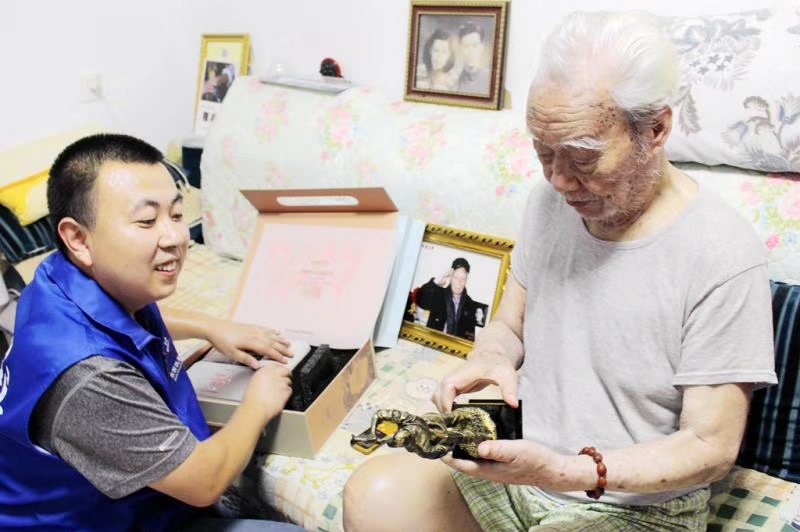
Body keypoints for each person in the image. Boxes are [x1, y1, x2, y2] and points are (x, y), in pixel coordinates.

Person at [343, 10, 776, 531]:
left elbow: (710, 447)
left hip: (637, 506)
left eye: (583, 158)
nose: (559, 179)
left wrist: (569, 471)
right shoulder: (549, 204)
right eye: (543, 151)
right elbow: (509, 326)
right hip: (523, 478)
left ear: (656, 130)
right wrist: (490, 359)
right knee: (376, 494)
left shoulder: (722, 253)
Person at [0, 133, 306, 531]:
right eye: (147, 221)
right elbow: (205, 483)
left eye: (176, 215)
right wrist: (258, 404)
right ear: (77, 238)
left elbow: (120, 320)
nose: (176, 238)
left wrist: (211, 326)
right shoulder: (90, 380)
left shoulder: (55, 280)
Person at [413, 257, 478, 341]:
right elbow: (421, 300)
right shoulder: (439, 294)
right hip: (432, 342)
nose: (459, 282)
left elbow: (470, 336)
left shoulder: (470, 304)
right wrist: (436, 282)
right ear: (451, 277)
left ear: (467, 279)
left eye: (463, 278)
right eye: (456, 277)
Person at [455, 21, 491, 95]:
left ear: (481, 47)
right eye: (466, 46)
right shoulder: (454, 82)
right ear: (460, 48)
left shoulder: (491, 78)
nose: (471, 51)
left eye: (475, 46)